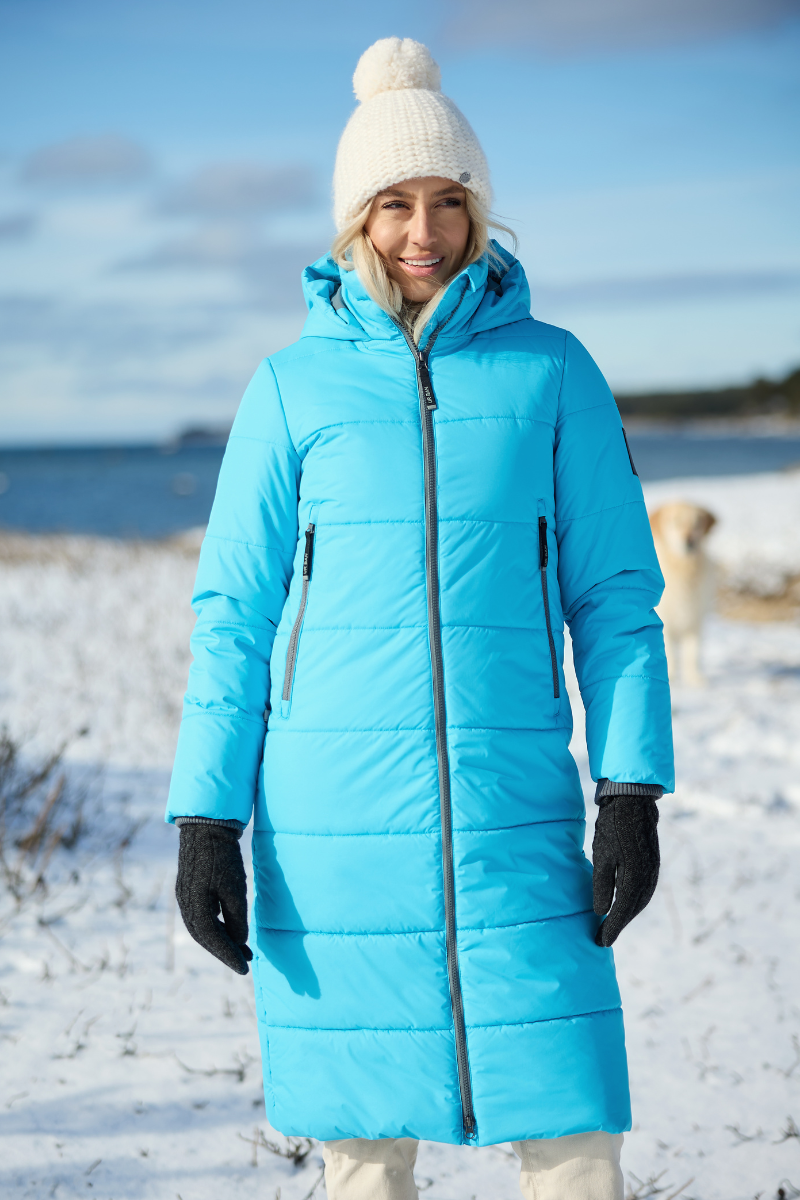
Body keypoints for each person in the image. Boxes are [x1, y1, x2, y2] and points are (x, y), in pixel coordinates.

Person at [167, 36, 673, 1200]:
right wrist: (205, 819)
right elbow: (233, 614)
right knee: (361, 1150)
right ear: (355, 219)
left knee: (573, 1133)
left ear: (479, 211)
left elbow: (614, 598)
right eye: (394, 203)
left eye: (449, 200)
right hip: (329, 827)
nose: (423, 232)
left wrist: (630, 791)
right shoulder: (289, 388)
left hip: (513, 809)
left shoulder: (552, 372)